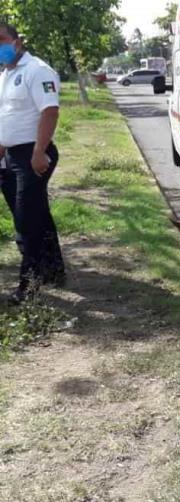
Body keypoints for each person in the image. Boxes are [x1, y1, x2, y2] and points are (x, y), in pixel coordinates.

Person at [0, 22, 64, 304]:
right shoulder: (5, 73)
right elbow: (10, 114)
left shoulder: (37, 70)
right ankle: (52, 269)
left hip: (34, 155)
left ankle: (29, 285)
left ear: (17, 41)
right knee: (32, 214)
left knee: (27, 222)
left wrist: (39, 152)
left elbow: (50, 112)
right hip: (10, 156)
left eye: (1, 39)